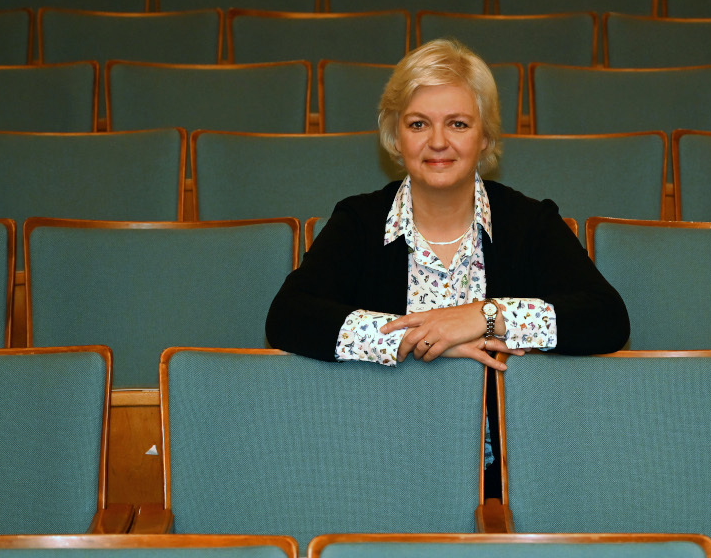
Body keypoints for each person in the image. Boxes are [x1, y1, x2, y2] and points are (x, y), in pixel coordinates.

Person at [266, 38, 629, 369]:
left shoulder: (530, 223)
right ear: (396, 137)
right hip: (375, 433)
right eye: (419, 124)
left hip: (501, 441)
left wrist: (486, 315)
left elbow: (607, 318)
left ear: (485, 136)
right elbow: (287, 316)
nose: (438, 142)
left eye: (457, 124)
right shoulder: (358, 222)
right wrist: (422, 338)